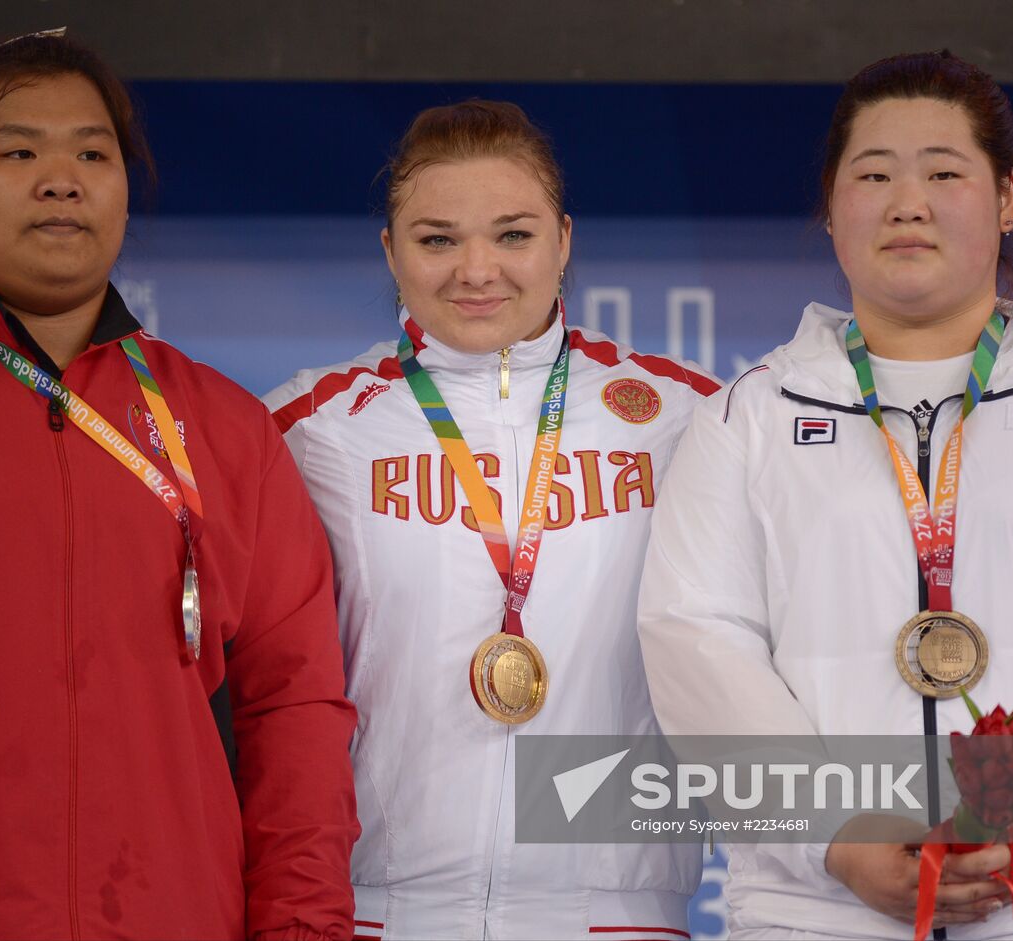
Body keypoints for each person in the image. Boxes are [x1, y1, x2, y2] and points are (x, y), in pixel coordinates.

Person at [0, 32, 357, 941]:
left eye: (92, 152)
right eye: (18, 150)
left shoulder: (228, 429)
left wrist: (303, 926)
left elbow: (294, 709)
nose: (61, 177)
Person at [638, 51, 1013, 940]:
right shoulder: (747, 418)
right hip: (812, 912)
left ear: (1005, 198)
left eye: (944, 172)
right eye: (873, 173)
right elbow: (699, 644)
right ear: (833, 208)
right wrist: (834, 832)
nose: (906, 201)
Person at [263, 100, 717, 939]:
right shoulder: (308, 427)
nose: (477, 269)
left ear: (564, 240)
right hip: (382, 911)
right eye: (437, 239)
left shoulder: (686, 415)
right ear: (390, 251)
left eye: (513, 235)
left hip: (616, 915)